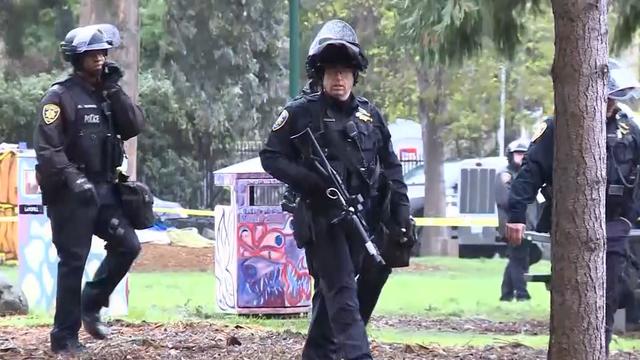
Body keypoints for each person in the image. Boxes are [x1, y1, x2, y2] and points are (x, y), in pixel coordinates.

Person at [260, 19, 413, 360]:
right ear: (320, 74)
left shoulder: (370, 116)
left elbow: (391, 167)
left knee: (359, 285)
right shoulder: (300, 113)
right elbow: (270, 157)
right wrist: (313, 184)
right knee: (342, 293)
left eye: (344, 71)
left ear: (355, 74)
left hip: (367, 219)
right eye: (331, 71)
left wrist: (401, 215)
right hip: (323, 220)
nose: (338, 78)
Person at [506, 58, 640, 352]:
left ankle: (598, 351)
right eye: (608, 98)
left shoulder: (629, 130)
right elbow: (531, 172)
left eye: (615, 100)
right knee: (573, 293)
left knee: (607, 294)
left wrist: (631, 217)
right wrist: (516, 214)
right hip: (570, 222)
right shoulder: (559, 126)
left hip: (616, 223)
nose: (611, 105)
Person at [34, 24, 145, 354]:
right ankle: (64, 337)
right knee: (73, 261)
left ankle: (91, 303)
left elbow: (135, 125)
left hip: (105, 188)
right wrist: (72, 178)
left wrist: (116, 90)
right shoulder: (59, 97)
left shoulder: (107, 94)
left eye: (103, 52)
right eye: (92, 54)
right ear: (77, 58)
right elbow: (47, 149)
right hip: (71, 194)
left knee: (128, 244)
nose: (100, 58)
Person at [496, 138, 541, 301]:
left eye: (524, 154)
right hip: (512, 224)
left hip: (528, 225)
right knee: (518, 258)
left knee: (529, 255)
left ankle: (506, 294)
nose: (521, 157)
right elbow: (505, 199)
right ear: (510, 156)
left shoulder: (527, 175)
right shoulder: (505, 175)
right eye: (518, 154)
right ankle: (522, 294)